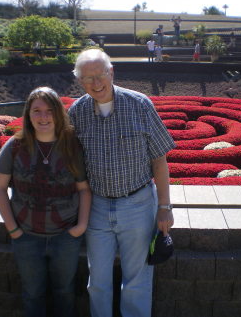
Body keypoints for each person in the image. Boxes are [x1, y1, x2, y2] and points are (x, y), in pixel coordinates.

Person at [69, 48, 176, 317]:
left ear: (111, 72)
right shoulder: (78, 111)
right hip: (97, 207)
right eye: (88, 78)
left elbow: (159, 160)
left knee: (137, 282)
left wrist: (165, 206)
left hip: (138, 204)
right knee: (98, 281)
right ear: (80, 81)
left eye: (100, 74)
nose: (96, 83)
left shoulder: (140, 104)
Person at [0, 87, 91, 317]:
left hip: (65, 237)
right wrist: (14, 230)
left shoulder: (71, 146)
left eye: (49, 110)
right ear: (28, 114)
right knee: (32, 293)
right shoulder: (15, 146)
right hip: (27, 237)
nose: (43, 117)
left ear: (58, 113)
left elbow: (84, 190)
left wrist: (81, 227)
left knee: (64, 291)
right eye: (36, 110)